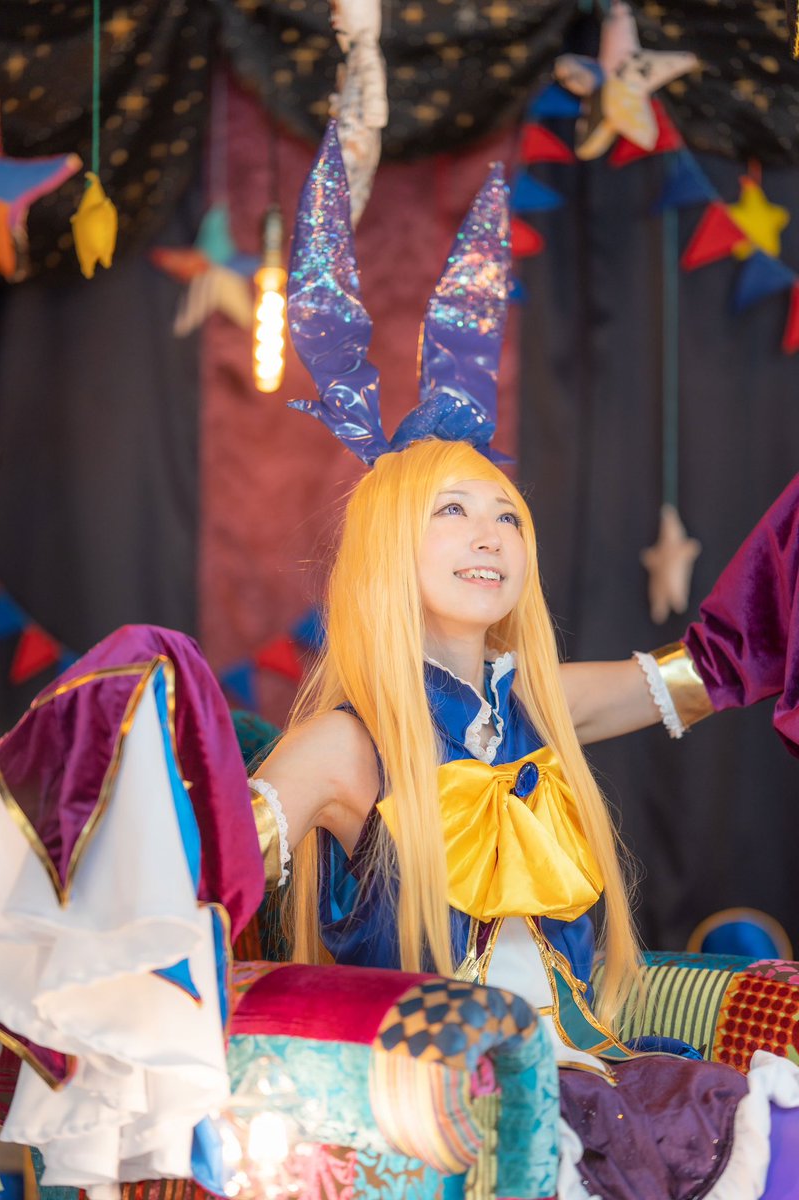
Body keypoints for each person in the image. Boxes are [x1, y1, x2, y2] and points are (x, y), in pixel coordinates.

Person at [243, 123, 799, 1198]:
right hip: (439, 1123)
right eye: (452, 511)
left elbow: (717, 665)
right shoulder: (347, 747)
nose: (490, 534)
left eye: (506, 513)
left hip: (592, 1081)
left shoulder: (540, 704)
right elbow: (206, 858)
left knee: (777, 1136)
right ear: (386, 550)